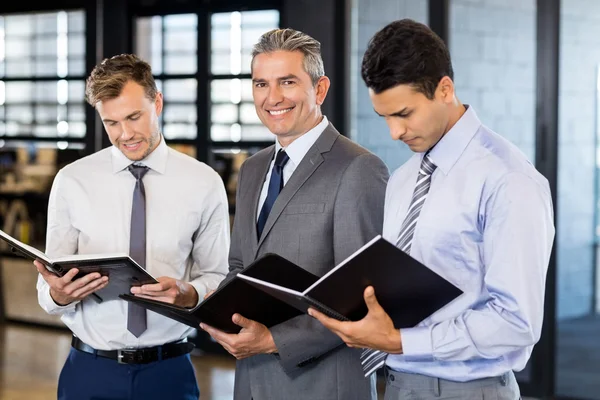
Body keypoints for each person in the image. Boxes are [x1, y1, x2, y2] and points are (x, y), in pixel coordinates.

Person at [309, 19, 555, 400]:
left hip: (469, 390)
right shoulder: (405, 177)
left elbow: (516, 322)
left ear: (445, 89)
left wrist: (402, 341)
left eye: (404, 114)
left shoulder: (509, 180)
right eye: (384, 117)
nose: (394, 132)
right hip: (397, 384)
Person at [199, 28, 389, 400]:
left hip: (322, 385)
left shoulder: (358, 168)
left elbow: (362, 299)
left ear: (319, 90)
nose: (272, 98)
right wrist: (209, 311)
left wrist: (274, 340)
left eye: (287, 82)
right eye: (261, 84)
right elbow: (239, 265)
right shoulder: (253, 170)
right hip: (250, 381)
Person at [35, 54, 230, 400]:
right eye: (111, 123)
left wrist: (190, 293)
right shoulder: (71, 181)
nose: (125, 134)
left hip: (169, 372)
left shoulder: (204, 182)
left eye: (134, 117)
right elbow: (49, 285)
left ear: (158, 102)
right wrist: (57, 294)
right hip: (89, 371)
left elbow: (217, 276)